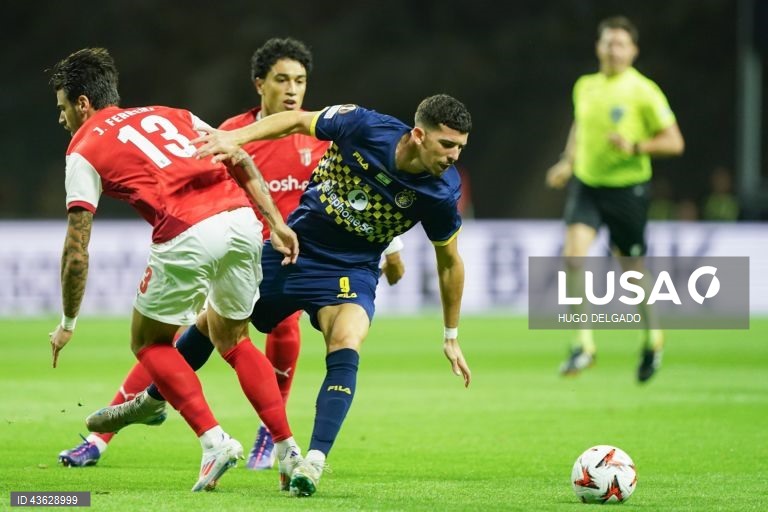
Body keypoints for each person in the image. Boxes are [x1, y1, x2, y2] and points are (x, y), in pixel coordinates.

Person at [99, 93, 473, 497]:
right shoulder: (363, 125)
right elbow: (295, 120)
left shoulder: (441, 192)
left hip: (351, 270)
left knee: (347, 341)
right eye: (447, 144)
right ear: (418, 135)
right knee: (212, 325)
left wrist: (451, 335)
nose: (453, 156)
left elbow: (449, 262)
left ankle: (314, 461)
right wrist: (235, 138)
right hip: (294, 250)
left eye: (460, 148)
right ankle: (152, 401)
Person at [58, 38, 406, 471]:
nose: (292, 90)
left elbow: (358, 191)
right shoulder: (235, 131)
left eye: (300, 81)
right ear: (260, 84)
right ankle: (108, 434)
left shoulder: (317, 138)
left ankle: (263, 439)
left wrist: (392, 245)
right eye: (282, 79)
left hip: (285, 250)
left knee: (192, 336)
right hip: (244, 239)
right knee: (201, 335)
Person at [47, 47, 305, 492]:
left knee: (149, 342)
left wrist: (68, 321)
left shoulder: (82, 148)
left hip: (188, 231)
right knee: (235, 339)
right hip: (242, 220)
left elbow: (76, 249)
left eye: (63, 107)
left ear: (83, 103)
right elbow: (238, 157)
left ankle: (214, 441)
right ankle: (289, 451)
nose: (61, 118)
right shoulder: (173, 114)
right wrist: (276, 223)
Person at [545, 16, 684, 382]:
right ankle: (583, 345)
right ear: (599, 47)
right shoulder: (585, 86)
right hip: (588, 186)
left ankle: (653, 338)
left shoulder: (644, 91)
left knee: (632, 271)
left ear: (633, 51)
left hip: (627, 190)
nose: (614, 50)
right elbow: (580, 124)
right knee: (573, 257)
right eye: (609, 42)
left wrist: (635, 146)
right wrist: (568, 161)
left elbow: (674, 142)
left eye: (621, 44)